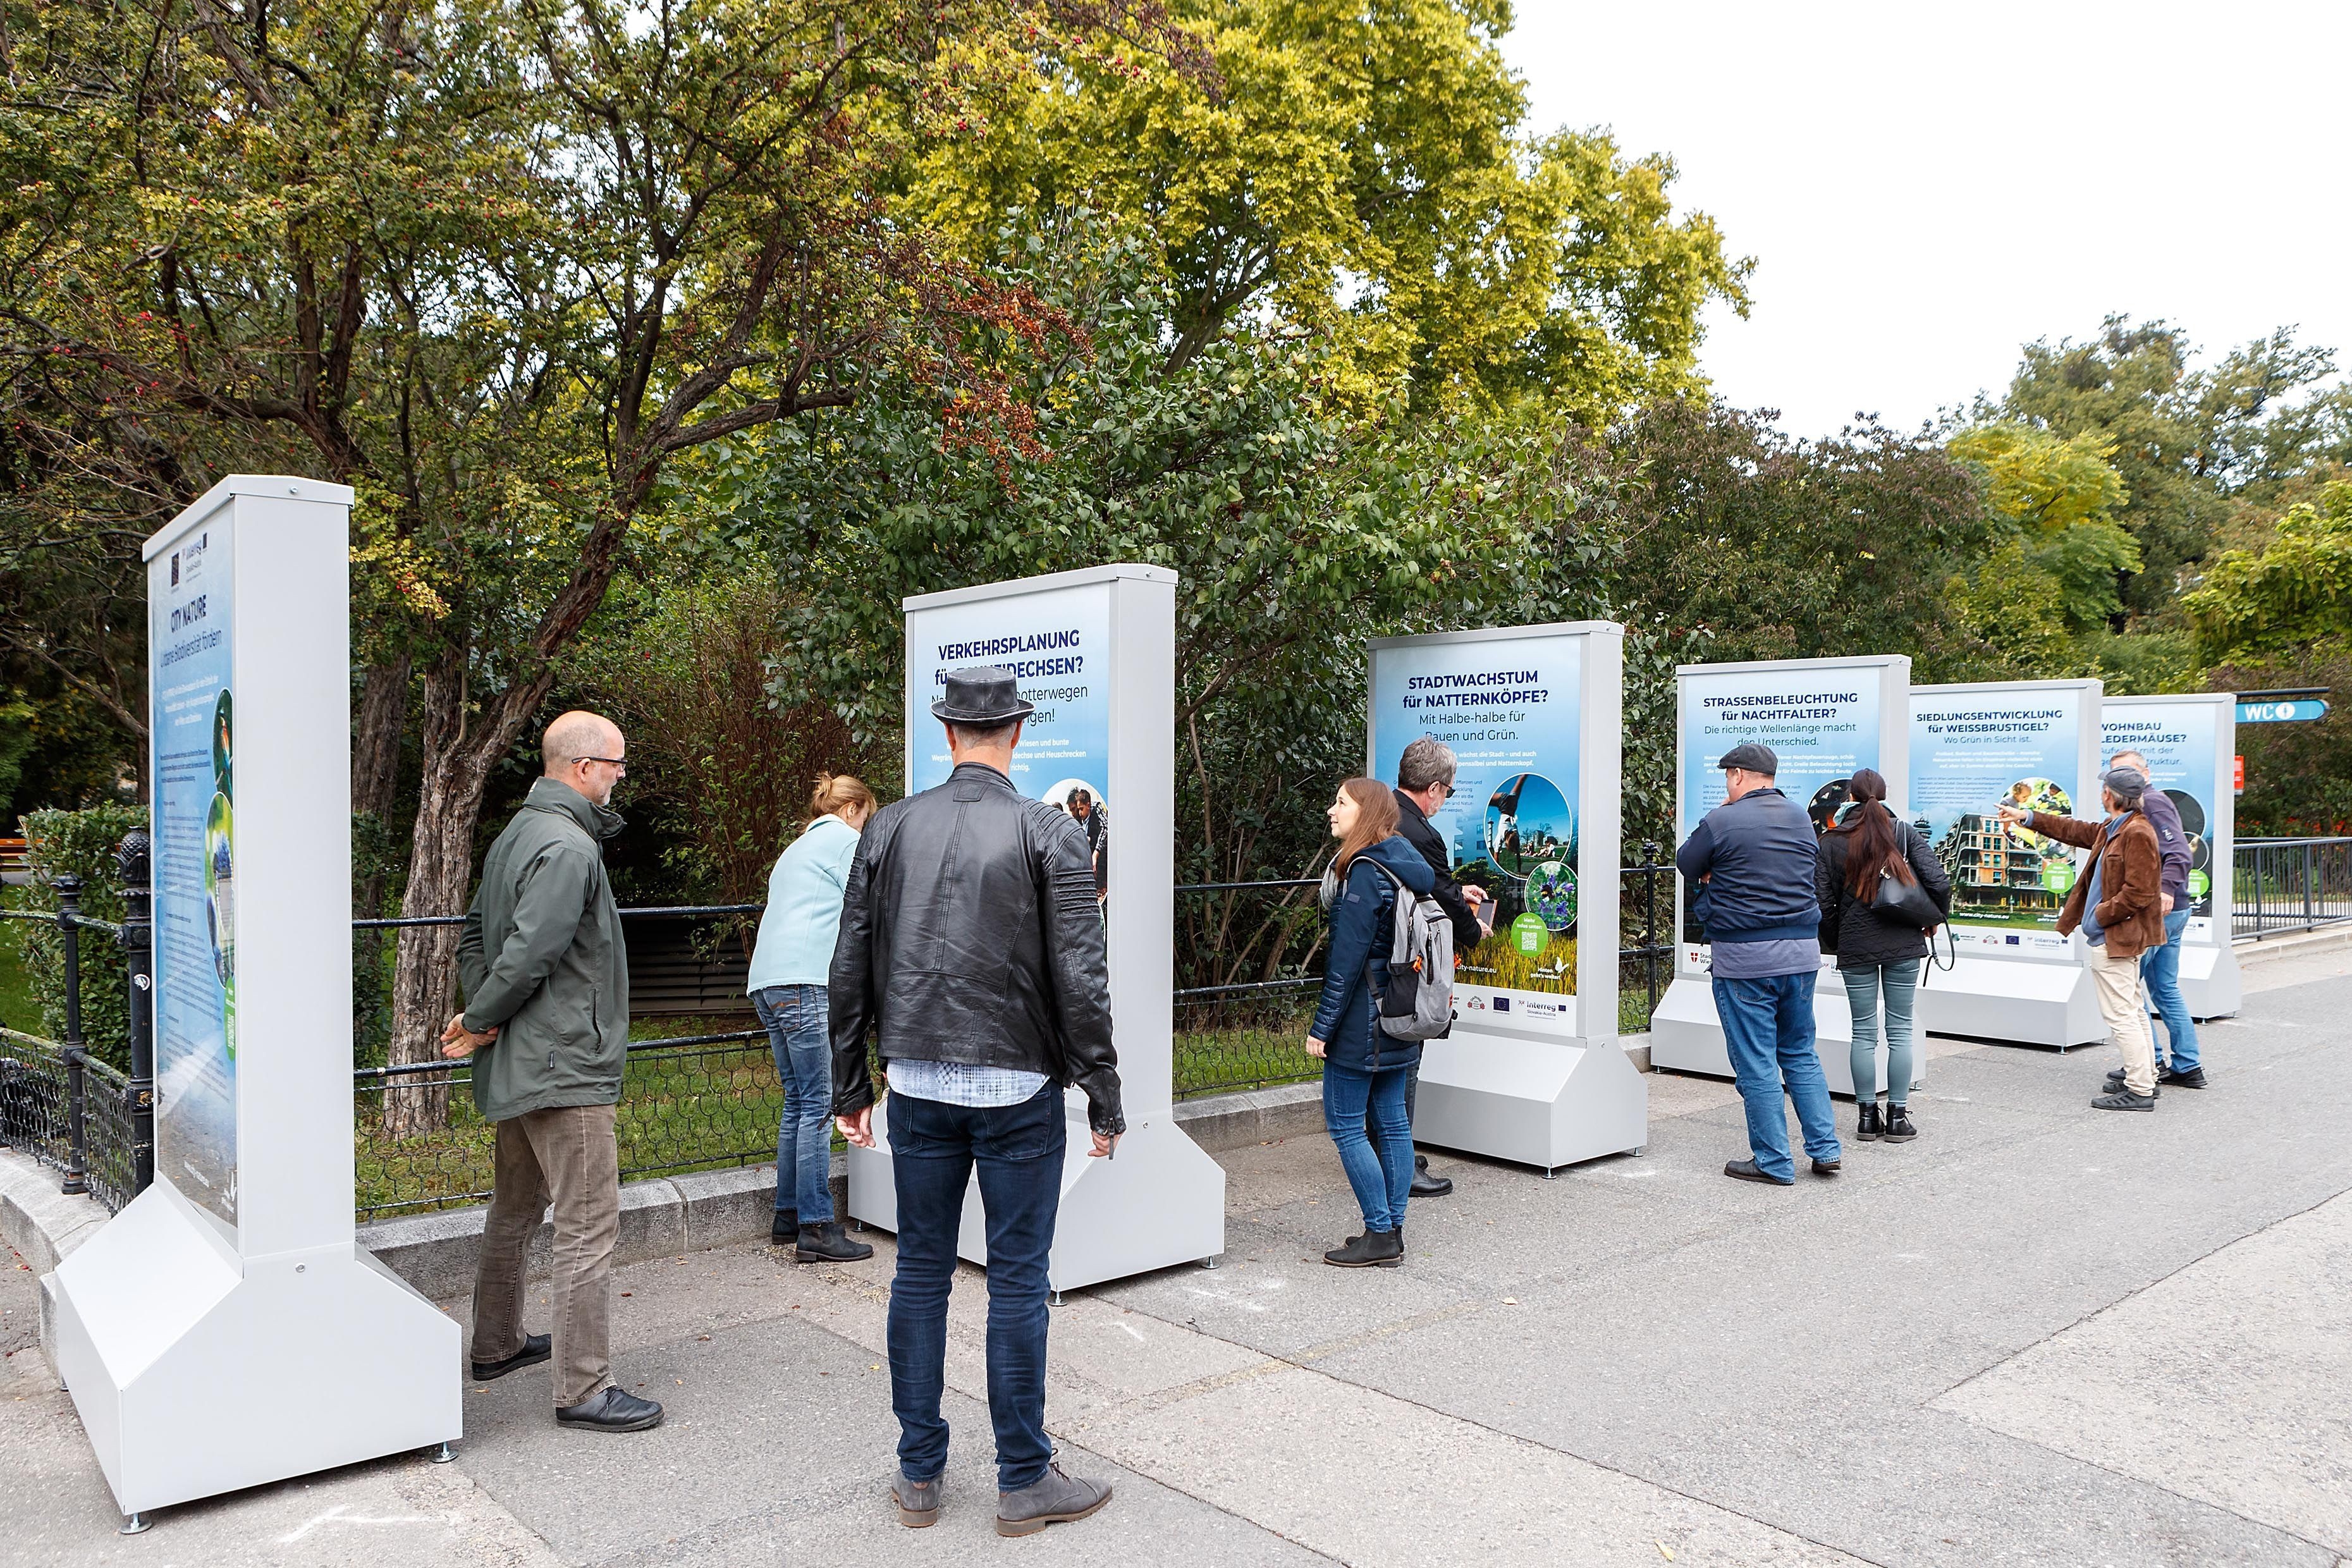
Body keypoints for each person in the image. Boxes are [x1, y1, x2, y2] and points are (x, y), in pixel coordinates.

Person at [831, 667, 1124, 1537]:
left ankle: (920, 1474)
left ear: (949, 736)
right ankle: (1024, 1477)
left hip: (915, 1081)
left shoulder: (887, 827)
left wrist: (851, 1084)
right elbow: (1081, 976)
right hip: (1017, 1086)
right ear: (1018, 736)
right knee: (1017, 1281)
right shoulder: (1047, 832)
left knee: (919, 1273)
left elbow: (850, 964)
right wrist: (1104, 1095)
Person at [443, 711, 662, 1433]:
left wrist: (488, 1014)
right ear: (581, 767)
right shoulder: (570, 846)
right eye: (617, 764)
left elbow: (477, 933)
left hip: (522, 1059)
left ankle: (497, 1341)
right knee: (588, 1222)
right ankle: (583, 1385)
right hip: (565, 1062)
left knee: (515, 1208)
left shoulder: (516, 834)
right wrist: (482, 1017)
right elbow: (533, 951)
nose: (621, 776)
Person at [1676, 742, 1842, 1185]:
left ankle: (1772, 1161)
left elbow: (1687, 863)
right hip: (1803, 954)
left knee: (1757, 1062)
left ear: (1736, 776)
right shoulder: (1799, 819)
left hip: (1746, 958)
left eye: (1726, 778)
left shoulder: (1722, 820)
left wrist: (1717, 862)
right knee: (1800, 1053)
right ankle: (1826, 1149)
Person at [747, 772, 878, 1261]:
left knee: (798, 1101)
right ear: (852, 809)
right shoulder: (845, 841)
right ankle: (818, 1228)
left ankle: (788, 1216)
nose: (865, 828)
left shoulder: (795, 849)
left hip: (768, 982)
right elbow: (869, 905)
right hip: (806, 980)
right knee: (819, 1105)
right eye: (866, 817)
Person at [1306, 777, 1437, 1266]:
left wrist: (1322, 1028)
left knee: (1344, 1124)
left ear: (1365, 811)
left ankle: (1380, 1231)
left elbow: (1346, 961)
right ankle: (1392, 1226)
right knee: (1392, 1119)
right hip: (1400, 1010)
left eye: (1341, 802)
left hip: (1364, 1017)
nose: (1331, 810)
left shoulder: (1364, 871)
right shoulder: (1404, 862)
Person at [1999, 766, 2165, 1110]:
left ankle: (2140, 1090)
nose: (2101, 793)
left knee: (2122, 1014)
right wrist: (2026, 816)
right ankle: (2146, 1077)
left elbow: (2141, 892)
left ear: (2110, 795)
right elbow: (2075, 830)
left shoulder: (2137, 833)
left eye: (2104, 789)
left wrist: (2100, 917)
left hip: (2117, 937)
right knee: (2132, 1010)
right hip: (2117, 936)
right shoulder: (2116, 828)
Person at [1815, 768, 1951, 1144]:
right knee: (1900, 1031)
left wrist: (1839, 941)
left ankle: (1865, 1119)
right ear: (1884, 795)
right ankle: (1897, 1117)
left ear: (1851, 798)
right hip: (1903, 942)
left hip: (1856, 946)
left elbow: (1823, 904)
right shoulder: (1903, 832)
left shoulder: (1831, 840)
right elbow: (1938, 881)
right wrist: (1932, 919)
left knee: (1862, 1032)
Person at [1385, 736, 1490, 1199]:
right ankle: (1401, 1165)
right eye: (1446, 791)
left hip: (1378, 956)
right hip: (1406, 960)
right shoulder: (1423, 832)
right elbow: (1440, 896)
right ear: (1433, 788)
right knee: (1406, 1056)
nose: (1444, 800)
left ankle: (1392, 1149)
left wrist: (1454, 891)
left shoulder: (1382, 810)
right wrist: (1473, 930)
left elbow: (1431, 886)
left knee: (1387, 1059)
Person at [2104, 748, 2204, 1092]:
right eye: (2115, 774)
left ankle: (2149, 1063)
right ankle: (2188, 1066)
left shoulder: (2153, 802)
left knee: (2130, 989)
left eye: (2127, 774)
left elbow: (2178, 852)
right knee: (2164, 988)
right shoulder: (2139, 806)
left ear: (2144, 774)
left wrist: (2165, 889)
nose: (2120, 782)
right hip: (2174, 908)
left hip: (2162, 910)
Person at [1066, 788, 1108, 905]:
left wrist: (1095, 854)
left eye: (1077, 809)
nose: (1076, 814)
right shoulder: (1077, 820)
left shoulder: (1096, 809)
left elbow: (1106, 828)